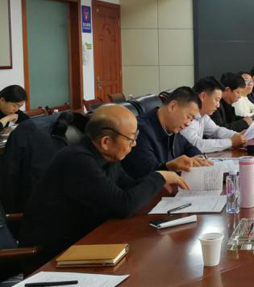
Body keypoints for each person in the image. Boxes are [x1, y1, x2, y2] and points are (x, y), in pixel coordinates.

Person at [20, 105, 189, 265]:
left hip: (87, 242)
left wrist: (163, 171)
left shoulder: (105, 157)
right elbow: (124, 205)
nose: (134, 144)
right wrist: (159, 177)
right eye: (131, 138)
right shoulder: (78, 160)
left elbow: (129, 187)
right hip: (55, 256)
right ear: (106, 142)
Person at [122, 87, 211, 179]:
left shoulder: (172, 127)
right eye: (188, 117)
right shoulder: (140, 131)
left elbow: (188, 147)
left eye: (191, 120)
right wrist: (170, 166)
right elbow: (148, 173)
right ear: (172, 106)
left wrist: (199, 159)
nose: (188, 124)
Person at [182, 77, 246, 153]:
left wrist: (236, 135)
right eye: (216, 100)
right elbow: (196, 145)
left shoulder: (203, 116)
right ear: (203, 96)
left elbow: (216, 130)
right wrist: (231, 142)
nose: (218, 105)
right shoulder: (186, 115)